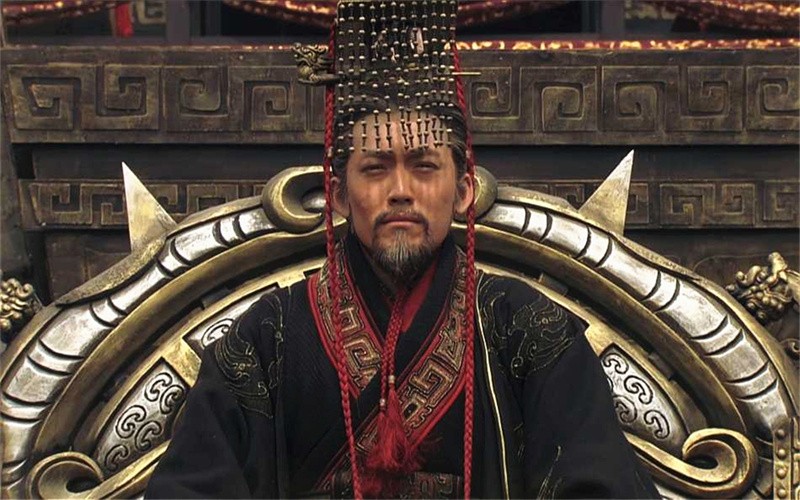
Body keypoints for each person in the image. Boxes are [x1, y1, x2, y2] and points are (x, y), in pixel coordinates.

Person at [146, 1, 659, 498]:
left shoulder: (527, 329)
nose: (400, 190)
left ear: (464, 191)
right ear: (338, 195)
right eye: (374, 168)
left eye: (424, 166)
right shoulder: (267, 336)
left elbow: (598, 483)